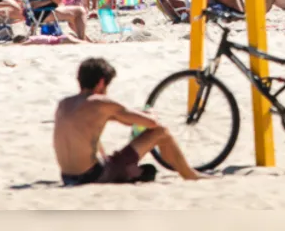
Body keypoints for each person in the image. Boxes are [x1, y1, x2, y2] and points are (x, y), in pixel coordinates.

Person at [55, 58, 205, 186]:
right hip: (91, 176)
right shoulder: (101, 103)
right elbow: (151, 123)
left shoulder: (64, 104)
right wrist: (149, 114)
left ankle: (133, 171)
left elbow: (90, 131)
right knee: (161, 132)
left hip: (67, 176)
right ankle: (190, 175)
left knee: (136, 166)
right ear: (101, 83)